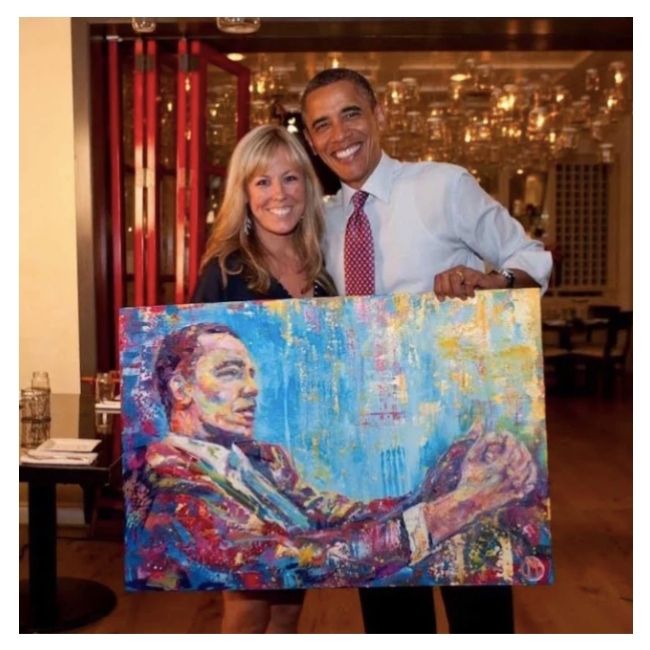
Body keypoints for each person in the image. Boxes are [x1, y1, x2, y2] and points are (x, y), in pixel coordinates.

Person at [300, 67, 553, 633]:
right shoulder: (322, 219)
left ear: (379, 114)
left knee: (479, 614)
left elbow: (533, 258)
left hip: (461, 438)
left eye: (350, 114)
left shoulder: (444, 187)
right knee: (392, 617)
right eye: (322, 125)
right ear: (312, 142)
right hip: (373, 446)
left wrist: (492, 282)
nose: (340, 134)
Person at [125, 324, 540, 608]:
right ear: (180, 388)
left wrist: (454, 472)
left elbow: (336, 516)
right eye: (231, 373)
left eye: (252, 374)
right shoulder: (168, 481)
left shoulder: (263, 458)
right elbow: (293, 560)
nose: (252, 388)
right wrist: (461, 505)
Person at [181, 124, 335, 632]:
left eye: (290, 178)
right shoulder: (226, 270)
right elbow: (197, 367)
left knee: (289, 605)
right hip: (242, 466)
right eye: (262, 182)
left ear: (307, 186)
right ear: (244, 194)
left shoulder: (322, 271)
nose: (278, 194)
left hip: (303, 461)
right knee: (247, 607)